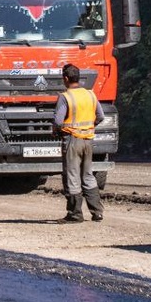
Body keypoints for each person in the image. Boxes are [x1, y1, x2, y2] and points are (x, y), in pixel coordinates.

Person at [53, 63, 106, 223]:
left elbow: (58, 121)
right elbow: (101, 116)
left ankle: (75, 214)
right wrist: (89, 127)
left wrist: (57, 131)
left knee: (72, 175)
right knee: (88, 175)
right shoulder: (90, 94)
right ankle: (97, 212)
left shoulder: (65, 96)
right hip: (88, 139)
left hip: (72, 140)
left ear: (66, 78)